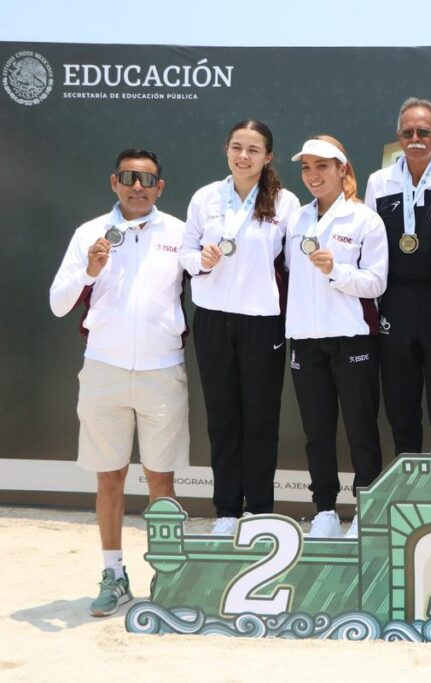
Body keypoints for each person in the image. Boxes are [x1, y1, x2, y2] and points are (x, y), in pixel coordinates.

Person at [49, 149, 189, 616]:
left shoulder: (179, 232)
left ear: (160, 187)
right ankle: (114, 574)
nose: (137, 186)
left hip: (161, 369)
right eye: (129, 177)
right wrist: (90, 270)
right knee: (109, 478)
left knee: (161, 480)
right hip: (104, 368)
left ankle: (168, 577)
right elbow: (57, 302)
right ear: (114, 182)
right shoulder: (89, 233)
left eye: (147, 179)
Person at [179, 120, 300, 534]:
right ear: (226, 150)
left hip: (263, 322)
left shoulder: (285, 203)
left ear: (268, 156)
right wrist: (201, 262)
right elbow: (185, 251)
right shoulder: (205, 197)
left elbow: (292, 263)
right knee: (223, 418)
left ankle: (259, 511)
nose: (243, 156)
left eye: (253, 149)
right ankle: (227, 511)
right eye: (236, 147)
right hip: (212, 317)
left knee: (261, 418)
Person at [285, 136, 388, 538]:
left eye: (322, 166)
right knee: (317, 431)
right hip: (306, 340)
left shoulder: (365, 219)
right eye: (307, 167)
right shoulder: (297, 218)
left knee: (361, 429)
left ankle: (367, 509)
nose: (313, 175)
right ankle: (325, 510)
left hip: (353, 339)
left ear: (342, 169)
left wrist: (336, 271)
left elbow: (377, 283)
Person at [364, 97, 431, 456]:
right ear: (398, 136)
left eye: (423, 131)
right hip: (395, 301)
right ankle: (408, 485)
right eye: (408, 132)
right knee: (400, 402)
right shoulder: (379, 181)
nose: (415, 138)